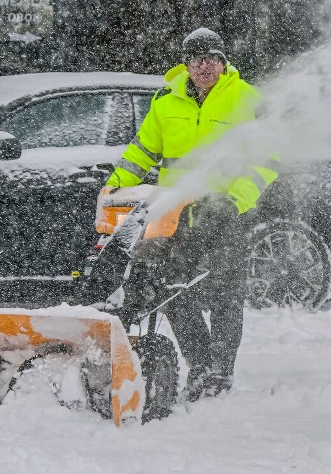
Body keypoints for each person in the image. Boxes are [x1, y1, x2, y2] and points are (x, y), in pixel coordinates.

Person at [105, 27, 277, 401]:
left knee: (225, 296)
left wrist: (235, 200)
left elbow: (267, 161)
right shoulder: (166, 101)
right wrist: (114, 187)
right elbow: (141, 153)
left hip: (225, 214)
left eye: (212, 58)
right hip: (174, 216)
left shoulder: (248, 100)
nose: (205, 67)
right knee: (172, 292)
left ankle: (220, 373)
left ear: (223, 61)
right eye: (197, 60)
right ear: (186, 63)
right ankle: (199, 364)